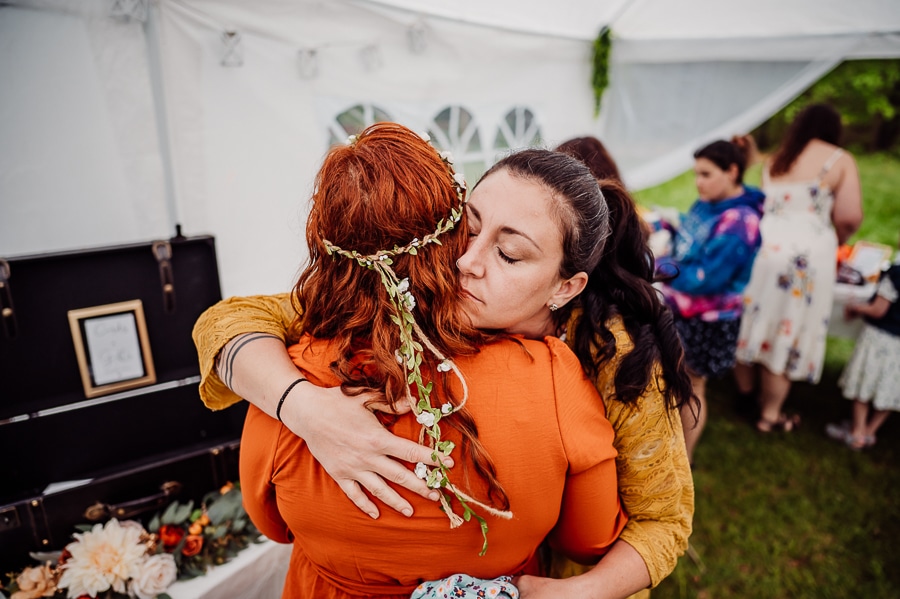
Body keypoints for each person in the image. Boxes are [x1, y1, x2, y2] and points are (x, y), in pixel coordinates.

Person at [193, 137, 695, 599]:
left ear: (565, 288)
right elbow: (228, 320)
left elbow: (662, 524)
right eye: (468, 228)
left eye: (509, 253)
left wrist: (579, 592)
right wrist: (301, 406)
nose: (466, 262)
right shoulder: (420, 288)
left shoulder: (616, 355)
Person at [733, 104, 863, 433]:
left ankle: (746, 396)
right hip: (806, 256)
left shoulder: (777, 159)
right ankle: (770, 415)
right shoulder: (839, 159)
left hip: (763, 248)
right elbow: (849, 217)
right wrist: (837, 236)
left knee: (754, 320)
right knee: (785, 331)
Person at [655, 140, 764, 463]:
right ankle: (665, 450)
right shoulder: (707, 203)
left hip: (708, 320)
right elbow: (688, 246)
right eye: (696, 174)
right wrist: (666, 230)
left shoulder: (741, 220)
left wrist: (657, 265)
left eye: (706, 174)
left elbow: (706, 277)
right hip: (678, 310)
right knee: (671, 382)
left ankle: (682, 462)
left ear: (732, 172)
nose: (698, 182)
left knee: (691, 388)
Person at [825, 240, 900, 450]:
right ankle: (870, 431)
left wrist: (857, 308)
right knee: (890, 388)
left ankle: (857, 432)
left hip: (879, 339)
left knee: (864, 385)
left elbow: (878, 309)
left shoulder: (896, 274)